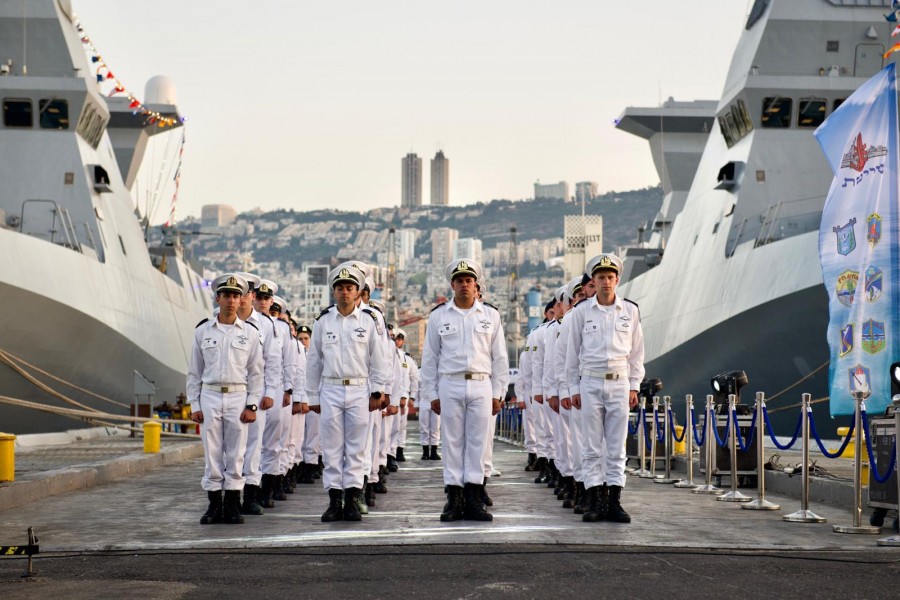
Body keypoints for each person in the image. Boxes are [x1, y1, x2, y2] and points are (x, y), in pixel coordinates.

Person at [420, 259, 508, 522]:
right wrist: (432, 394)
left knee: (478, 443)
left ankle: (473, 498)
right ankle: (454, 498)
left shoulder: (490, 315)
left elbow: (500, 358)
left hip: (481, 382)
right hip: (450, 382)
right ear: (452, 285)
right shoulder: (438, 316)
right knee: (452, 443)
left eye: (469, 281)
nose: (464, 285)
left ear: (475, 284)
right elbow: (430, 359)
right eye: (459, 281)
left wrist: (498, 392)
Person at [304, 265, 390, 522]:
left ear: (358, 292)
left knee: (356, 447)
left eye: (349, 288)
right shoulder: (323, 320)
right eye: (340, 288)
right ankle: (334, 500)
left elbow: (379, 358)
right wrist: (313, 397)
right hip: (330, 388)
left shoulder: (370, 319)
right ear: (334, 291)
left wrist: (378, 391)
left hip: (359, 389)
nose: (344, 292)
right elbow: (314, 361)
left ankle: (352, 498)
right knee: (331, 447)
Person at [565, 253, 644, 523]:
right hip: (589, 381)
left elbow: (636, 354)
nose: (606, 282)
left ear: (617, 280)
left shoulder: (630, 311)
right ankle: (596, 499)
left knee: (616, 446)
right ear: (594, 281)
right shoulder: (580, 312)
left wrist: (634, 386)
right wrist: (572, 389)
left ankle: (614, 501)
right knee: (591, 446)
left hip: (619, 382)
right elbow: (571, 354)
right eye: (601, 278)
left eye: (610, 277)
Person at [187, 274, 263, 525]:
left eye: (235, 295)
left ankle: (232, 504)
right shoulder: (202, 331)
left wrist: (252, 404)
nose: (231, 300)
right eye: (226, 295)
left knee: (236, 452)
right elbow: (194, 372)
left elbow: (256, 373)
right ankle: (214, 505)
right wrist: (194, 404)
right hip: (209, 394)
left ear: (241, 299)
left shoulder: (250, 334)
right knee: (212, 452)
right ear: (217, 298)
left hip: (237, 396)